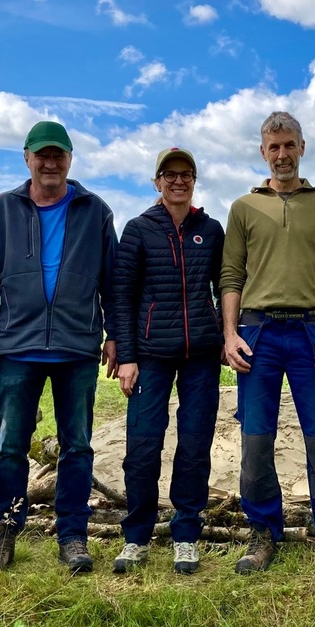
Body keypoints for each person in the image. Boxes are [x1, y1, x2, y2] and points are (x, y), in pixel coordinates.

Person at [0, 121, 118, 575]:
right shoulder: (1, 210)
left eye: (58, 155)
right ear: (27, 157)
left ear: (70, 159)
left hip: (77, 347)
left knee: (78, 445)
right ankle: (3, 531)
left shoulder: (95, 211)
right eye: (42, 155)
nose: (50, 163)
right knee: (10, 444)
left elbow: (113, 281)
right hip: (17, 346)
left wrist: (115, 335)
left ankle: (72, 533)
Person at [220, 111, 315, 578]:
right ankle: (262, 535)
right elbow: (231, 277)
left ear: (302, 147)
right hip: (256, 334)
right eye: (273, 147)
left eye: (289, 145)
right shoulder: (243, 208)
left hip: (309, 331)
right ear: (263, 152)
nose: (282, 154)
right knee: (256, 439)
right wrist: (230, 333)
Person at [111, 147, 224, 575]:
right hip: (150, 356)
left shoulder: (210, 230)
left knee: (194, 445)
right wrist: (126, 355)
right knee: (142, 446)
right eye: (169, 174)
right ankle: (137, 536)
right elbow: (122, 296)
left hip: (201, 356)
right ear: (156, 181)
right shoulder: (139, 229)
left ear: (194, 180)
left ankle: (186, 535)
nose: (178, 181)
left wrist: (226, 334)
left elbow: (226, 285)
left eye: (186, 174)